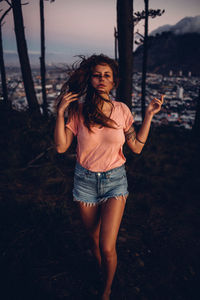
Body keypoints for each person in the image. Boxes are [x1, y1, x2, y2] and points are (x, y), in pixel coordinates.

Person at [54, 54, 163, 300]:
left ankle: (106, 291)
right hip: (85, 183)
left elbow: (136, 147)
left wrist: (148, 116)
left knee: (106, 246)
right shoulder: (78, 111)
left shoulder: (122, 109)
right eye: (97, 75)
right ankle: (101, 272)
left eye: (107, 75)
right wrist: (60, 113)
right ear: (90, 79)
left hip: (115, 181)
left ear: (113, 82)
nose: (102, 79)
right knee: (93, 241)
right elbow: (61, 147)